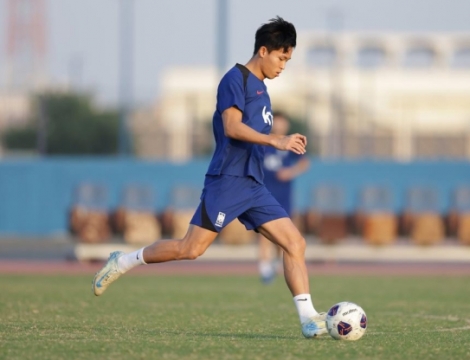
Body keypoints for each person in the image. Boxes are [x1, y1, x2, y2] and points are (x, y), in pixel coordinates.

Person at [92, 16, 327, 339]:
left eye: (288, 59)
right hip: (228, 180)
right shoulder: (235, 79)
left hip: (253, 185)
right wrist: (276, 141)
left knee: (294, 243)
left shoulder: (262, 90)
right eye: (282, 57)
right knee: (190, 249)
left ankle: (308, 319)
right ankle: (123, 261)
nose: (284, 65)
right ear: (263, 50)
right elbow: (231, 127)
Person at [258, 111, 309, 284]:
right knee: (264, 232)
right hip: (265, 193)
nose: (281, 126)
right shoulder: (264, 141)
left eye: (283, 123)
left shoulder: (291, 143)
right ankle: (264, 268)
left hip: (284, 194)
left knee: (285, 234)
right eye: (277, 122)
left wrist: (290, 172)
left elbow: (304, 162)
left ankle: (276, 265)